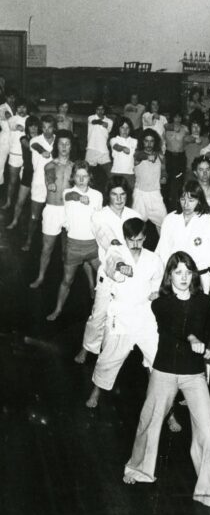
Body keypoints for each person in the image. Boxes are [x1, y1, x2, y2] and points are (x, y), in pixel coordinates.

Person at [123, 251, 210, 508]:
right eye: (178, 272)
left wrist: (206, 345)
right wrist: (193, 340)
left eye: (188, 272)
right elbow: (174, 327)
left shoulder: (205, 303)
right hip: (165, 369)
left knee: (208, 432)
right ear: (169, 275)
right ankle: (137, 469)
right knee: (150, 421)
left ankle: (206, 489)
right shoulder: (161, 304)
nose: (184, 277)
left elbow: (205, 330)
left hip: (194, 372)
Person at [85, 218, 162, 408]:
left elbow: (157, 283)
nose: (135, 245)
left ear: (145, 238)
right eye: (131, 240)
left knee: (157, 359)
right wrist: (121, 267)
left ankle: (162, 405)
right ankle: (96, 391)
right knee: (108, 358)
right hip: (120, 315)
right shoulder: (116, 252)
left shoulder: (153, 259)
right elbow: (113, 264)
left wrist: (156, 293)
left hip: (145, 316)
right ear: (125, 238)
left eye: (140, 240)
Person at [74, 176, 143, 365]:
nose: (119, 199)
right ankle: (87, 348)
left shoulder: (134, 215)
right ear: (108, 196)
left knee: (126, 315)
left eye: (122, 195)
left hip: (129, 275)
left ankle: (125, 353)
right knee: (98, 315)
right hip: (108, 274)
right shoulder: (99, 216)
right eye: (114, 195)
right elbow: (106, 237)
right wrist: (118, 251)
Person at [156, 180, 210, 309]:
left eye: (191, 200)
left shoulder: (209, 222)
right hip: (174, 279)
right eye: (183, 199)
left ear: (199, 200)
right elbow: (161, 253)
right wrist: (157, 283)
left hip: (199, 279)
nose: (186, 204)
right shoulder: (170, 219)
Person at [46, 161, 102, 321]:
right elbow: (71, 196)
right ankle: (57, 310)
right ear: (73, 177)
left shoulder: (98, 195)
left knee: (106, 276)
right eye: (78, 176)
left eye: (85, 176)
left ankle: (94, 289)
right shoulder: (67, 193)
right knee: (66, 280)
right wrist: (80, 197)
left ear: (90, 177)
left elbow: (98, 220)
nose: (81, 179)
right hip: (74, 246)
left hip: (93, 245)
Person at [29, 130, 74, 288]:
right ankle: (40, 277)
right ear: (56, 146)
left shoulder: (75, 167)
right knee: (47, 247)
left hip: (69, 210)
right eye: (61, 143)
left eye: (67, 144)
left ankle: (72, 280)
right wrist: (50, 183)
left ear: (71, 146)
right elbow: (49, 176)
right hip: (53, 209)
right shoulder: (50, 165)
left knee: (70, 248)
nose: (64, 146)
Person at [23, 114, 57, 252]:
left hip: (55, 184)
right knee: (34, 216)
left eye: (49, 127)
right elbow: (36, 146)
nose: (46, 130)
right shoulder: (35, 140)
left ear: (54, 127)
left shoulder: (59, 141)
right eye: (43, 127)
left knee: (56, 217)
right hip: (38, 184)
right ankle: (29, 241)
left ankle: (59, 249)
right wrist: (43, 151)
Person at [6, 115, 39, 230]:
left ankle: (35, 227)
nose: (33, 128)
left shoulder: (42, 138)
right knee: (20, 200)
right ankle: (14, 221)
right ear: (27, 127)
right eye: (31, 126)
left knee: (37, 203)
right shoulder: (23, 139)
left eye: (35, 126)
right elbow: (31, 146)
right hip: (28, 173)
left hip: (39, 174)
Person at [132, 130, 167, 231]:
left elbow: (164, 171)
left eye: (151, 141)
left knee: (164, 225)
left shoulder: (160, 156)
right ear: (142, 142)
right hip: (140, 194)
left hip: (155, 194)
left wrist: (164, 177)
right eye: (146, 141)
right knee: (136, 226)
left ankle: (164, 247)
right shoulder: (137, 154)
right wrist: (147, 156)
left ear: (155, 142)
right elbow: (139, 157)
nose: (149, 144)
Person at [1, 97, 28, 210]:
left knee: (25, 182)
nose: (21, 109)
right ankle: (8, 202)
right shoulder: (12, 119)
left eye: (24, 107)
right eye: (19, 107)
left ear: (27, 108)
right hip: (14, 155)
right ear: (16, 108)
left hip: (27, 156)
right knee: (12, 181)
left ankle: (21, 204)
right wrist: (18, 127)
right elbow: (12, 125)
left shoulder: (31, 119)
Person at [163, 112, 189, 210]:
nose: (177, 119)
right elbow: (164, 130)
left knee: (179, 181)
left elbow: (188, 139)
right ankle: (166, 205)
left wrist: (194, 139)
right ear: (172, 118)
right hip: (169, 156)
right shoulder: (166, 127)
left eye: (179, 116)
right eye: (175, 116)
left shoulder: (185, 128)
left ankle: (179, 205)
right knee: (167, 180)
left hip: (180, 157)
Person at [86, 102, 113, 179]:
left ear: (104, 110)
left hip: (103, 151)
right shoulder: (90, 117)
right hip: (91, 149)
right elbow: (94, 122)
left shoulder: (110, 121)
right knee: (86, 173)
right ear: (95, 110)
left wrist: (104, 123)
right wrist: (101, 122)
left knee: (110, 173)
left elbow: (107, 126)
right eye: (98, 109)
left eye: (102, 109)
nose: (100, 111)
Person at [109, 117, 137, 188]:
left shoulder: (135, 141)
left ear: (130, 129)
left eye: (127, 128)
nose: (125, 130)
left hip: (130, 174)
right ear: (118, 128)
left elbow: (137, 155)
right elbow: (116, 146)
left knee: (130, 197)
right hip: (116, 173)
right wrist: (123, 148)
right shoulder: (114, 140)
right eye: (122, 127)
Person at [0, 89, 17, 190]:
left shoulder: (18, 108)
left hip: (15, 140)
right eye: (9, 96)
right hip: (4, 140)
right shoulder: (1, 108)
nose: (12, 99)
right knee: (0, 165)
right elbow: (7, 116)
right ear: (5, 97)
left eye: (13, 97)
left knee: (16, 164)